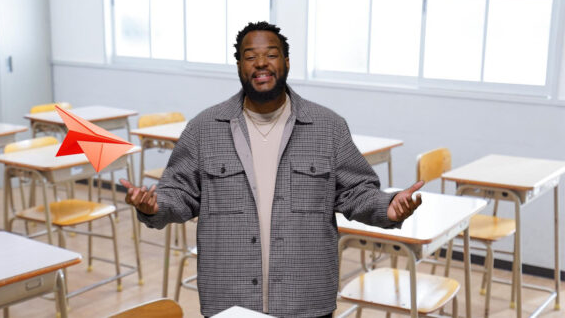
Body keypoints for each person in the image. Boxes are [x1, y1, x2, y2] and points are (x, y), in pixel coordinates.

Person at [120, 21, 423, 318]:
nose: (261, 63)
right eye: (250, 56)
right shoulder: (204, 129)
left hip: (306, 297)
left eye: (271, 54)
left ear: (287, 62)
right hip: (229, 297)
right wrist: (155, 205)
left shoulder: (328, 127)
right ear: (239, 65)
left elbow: (355, 191)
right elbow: (180, 192)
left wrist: (387, 206)